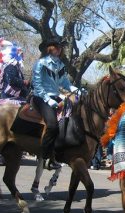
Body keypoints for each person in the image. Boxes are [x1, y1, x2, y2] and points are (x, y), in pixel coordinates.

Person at [31, 37, 78, 170]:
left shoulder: (60, 65)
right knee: (52, 126)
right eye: (56, 46)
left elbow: (64, 82)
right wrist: (48, 99)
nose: (59, 49)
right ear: (49, 48)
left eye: (60, 47)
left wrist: (74, 89)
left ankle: (61, 153)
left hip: (56, 96)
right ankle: (45, 158)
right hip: (41, 97)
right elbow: (37, 85)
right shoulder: (41, 63)